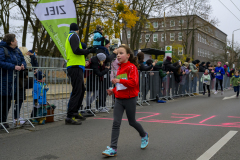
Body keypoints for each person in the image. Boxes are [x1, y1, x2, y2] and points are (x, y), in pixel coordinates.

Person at [102, 45, 148, 157]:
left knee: (132, 122)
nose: (118, 55)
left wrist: (119, 80)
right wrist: (113, 90)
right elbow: (120, 85)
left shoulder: (132, 68)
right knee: (116, 123)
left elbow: (133, 83)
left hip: (130, 99)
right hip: (119, 99)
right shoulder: (119, 68)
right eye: (117, 53)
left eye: (121, 53)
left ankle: (144, 135)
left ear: (128, 55)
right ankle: (113, 148)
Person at [65, 23, 95, 125]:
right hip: (74, 66)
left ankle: (75, 112)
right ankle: (70, 116)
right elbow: (76, 50)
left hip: (76, 66)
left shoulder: (71, 36)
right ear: (77, 30)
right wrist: (88, 51)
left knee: (81, 89)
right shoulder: (74, 36)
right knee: (77, 90)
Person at [0, 34, 26, 129]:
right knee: (2, 102)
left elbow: (23, 60)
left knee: (8, 102)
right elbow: (0, 62)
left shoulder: (17, 50)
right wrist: (13, 66)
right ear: (11, 42)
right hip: (3, 79)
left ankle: (3, 121)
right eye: (15, 39)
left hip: (13, 81)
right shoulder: (2, 49)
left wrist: (23, 65)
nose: (17, 40)